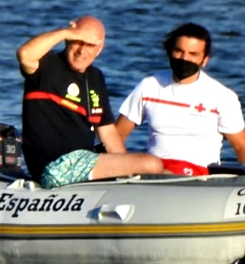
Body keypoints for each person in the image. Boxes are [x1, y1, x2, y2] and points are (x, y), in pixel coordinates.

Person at [18, 16, 163, 188]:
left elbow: (108, 134)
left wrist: (127, 168)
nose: (82, 51)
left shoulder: (95, 77)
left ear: (99, 49)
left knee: (159, 169)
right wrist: (66, 31)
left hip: (85, 160)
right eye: (78, 41)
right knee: (151, 164)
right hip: (55, 167)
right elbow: (25, 54)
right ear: (68, 39)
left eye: (90, 45)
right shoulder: (46, 65)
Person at [115, 23, 245, 176]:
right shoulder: (149, 86)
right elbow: (116, 136)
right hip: (153, 168)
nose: (184, 59)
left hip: (197, 173)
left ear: (204, 60)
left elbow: (242, 147)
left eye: (193, 54)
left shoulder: (222, 96)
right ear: (170, 52)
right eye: (179, 51)